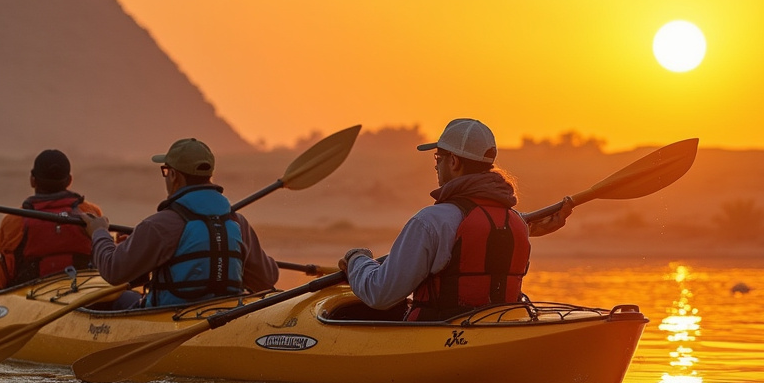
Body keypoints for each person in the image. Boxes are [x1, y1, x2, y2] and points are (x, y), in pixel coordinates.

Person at [338, 118, 574, 320]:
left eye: (438, 158)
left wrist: (357, 260)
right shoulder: (514, 221)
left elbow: (380, 294)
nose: (437, 166)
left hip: (437, 336)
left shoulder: (431, 221)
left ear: (454, 162)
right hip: (497, 329)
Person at [80, 138, 280, 308]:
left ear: (174, 175)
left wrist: (99, 233)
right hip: (225, 317)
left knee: (117, 301)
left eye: (166, 171)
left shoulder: (159, 225)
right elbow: (266, 279)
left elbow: (113, 271)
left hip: (169, 321)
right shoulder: (237, 221)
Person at [0, 149, 103, 291]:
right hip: (86, 293)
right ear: (69, 180)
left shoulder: (14, 221)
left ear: (32, 180)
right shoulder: (91, 213)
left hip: (28, 298)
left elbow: (7, 271)